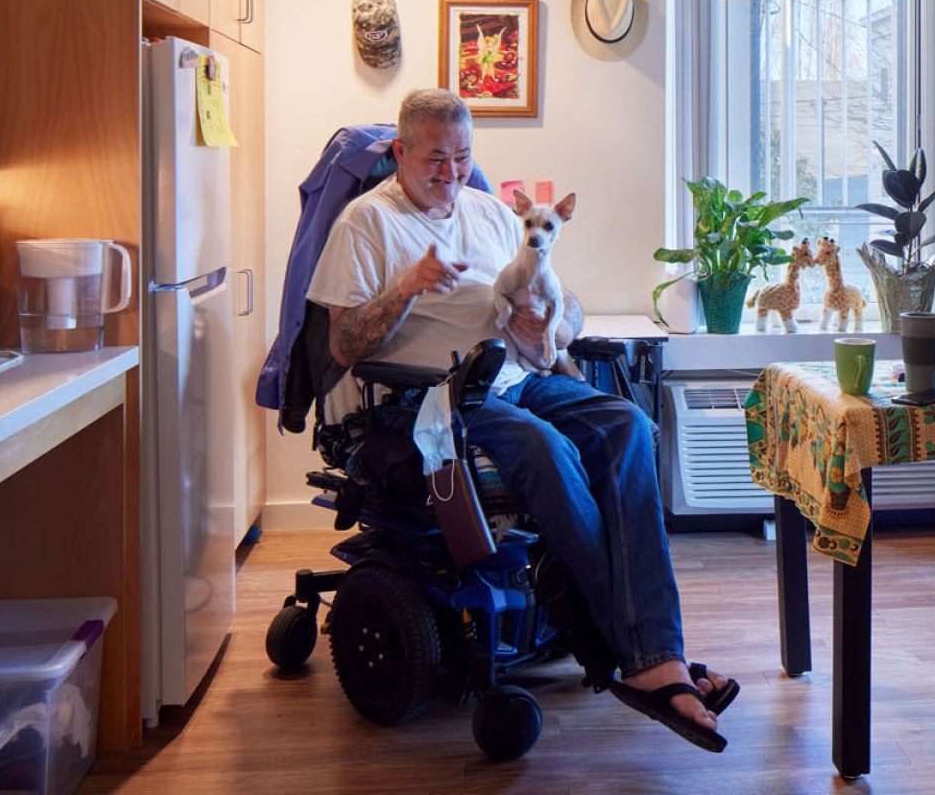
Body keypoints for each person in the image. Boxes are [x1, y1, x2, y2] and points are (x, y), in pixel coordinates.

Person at [307, 89, 734, 752]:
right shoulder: (366, 224)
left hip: (517, 377)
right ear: (399, 153)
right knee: (546, 449)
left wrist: (553, 324)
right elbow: (344, 346)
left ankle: (652, 650)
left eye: (463, 156)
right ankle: (647, 658)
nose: (451, 174)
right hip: (431, 399)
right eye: (435, 160)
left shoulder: (492, 214)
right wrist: (407, 285)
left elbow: (573, 306)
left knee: (629, 427)